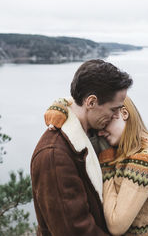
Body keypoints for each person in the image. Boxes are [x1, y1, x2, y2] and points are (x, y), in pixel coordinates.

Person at [30, 59, 133, 236]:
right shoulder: (54, 156)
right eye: (113, 110)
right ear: (91, 102)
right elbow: (75, 231)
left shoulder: (95, 134)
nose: (118, 116)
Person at [45, 96, 148, 236]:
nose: (100, 133)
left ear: (124, 113)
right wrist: (59, 107)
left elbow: (116, 226)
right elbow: (81, 100)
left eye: (105, 124)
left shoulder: (145, 158)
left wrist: (106, 162)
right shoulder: (125, 148)